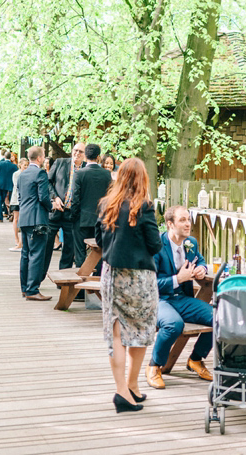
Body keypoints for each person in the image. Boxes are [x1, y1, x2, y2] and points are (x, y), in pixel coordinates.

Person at [94, 158, 161, 413]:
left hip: (112, 276)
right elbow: (155, 245)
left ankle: (127, 387)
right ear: (142, 178)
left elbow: (99, 240)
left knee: (117, 334)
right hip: (140, 278)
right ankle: (127, 389)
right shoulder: (144, 206)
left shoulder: (105, 205)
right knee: (141, 331)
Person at [145, 205, 214, 390]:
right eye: (182, 220)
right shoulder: (157, 246)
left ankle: (196, 359)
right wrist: (178, 279)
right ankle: (154, 365)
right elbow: (150, 283)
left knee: (221, 318)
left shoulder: (191, 242)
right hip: (160, 299)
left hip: (182, 299)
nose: (187, 224)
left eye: (188, 220)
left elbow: (200, 259)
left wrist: (203, 268)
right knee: (173, 325)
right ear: (169, 224)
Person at [15, 145, 53, 301]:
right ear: (39, 158)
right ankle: (32, 290)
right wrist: (52, 207)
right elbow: (43, 197)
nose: (44, 159)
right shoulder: (40, 173)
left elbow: (20, 197)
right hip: (37, 219)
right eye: (43, 156)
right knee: (37, 254)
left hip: (24, 217)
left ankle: (25, 288)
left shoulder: (22, 175)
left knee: (25, 254)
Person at [69, 143, 111, 273]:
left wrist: (73, 216)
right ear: (98, 157)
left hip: (82, 219)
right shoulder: (106, 174)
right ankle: (97, 282)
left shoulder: (79, 173)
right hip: (101, 219)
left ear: (86, 156)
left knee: (80, 252)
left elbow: (75, 198)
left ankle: (81, 288)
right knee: (99, 252)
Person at [49, 142, 85, 269]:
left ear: (85, 155)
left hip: (72, 214)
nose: (77, 153)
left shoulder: (86, 169)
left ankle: (63, 282)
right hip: (56, 211)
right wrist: (55, 198)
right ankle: (38, 279)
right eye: (75, 150)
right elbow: (48, 183)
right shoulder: (60, 163)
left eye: (81, 151)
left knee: (69, 250)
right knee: (47, 247)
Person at [0, 150, 17, 223]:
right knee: (1, 200)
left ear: (4, 156)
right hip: (7, 186)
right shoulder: (14, 166)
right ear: (10, 157)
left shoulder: (0, 163)